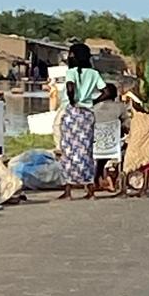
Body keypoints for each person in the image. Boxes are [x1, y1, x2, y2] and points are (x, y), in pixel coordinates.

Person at [58, 42, 105, 200]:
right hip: (87, 115)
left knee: (69, 151)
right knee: (86, 150)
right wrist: (93, 102)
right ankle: (90, 189)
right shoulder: (94, 73)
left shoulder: (71, 72)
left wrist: (72, 101)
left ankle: (68, 189)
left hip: (73, 113)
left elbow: (70, 87)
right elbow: (106, 90)